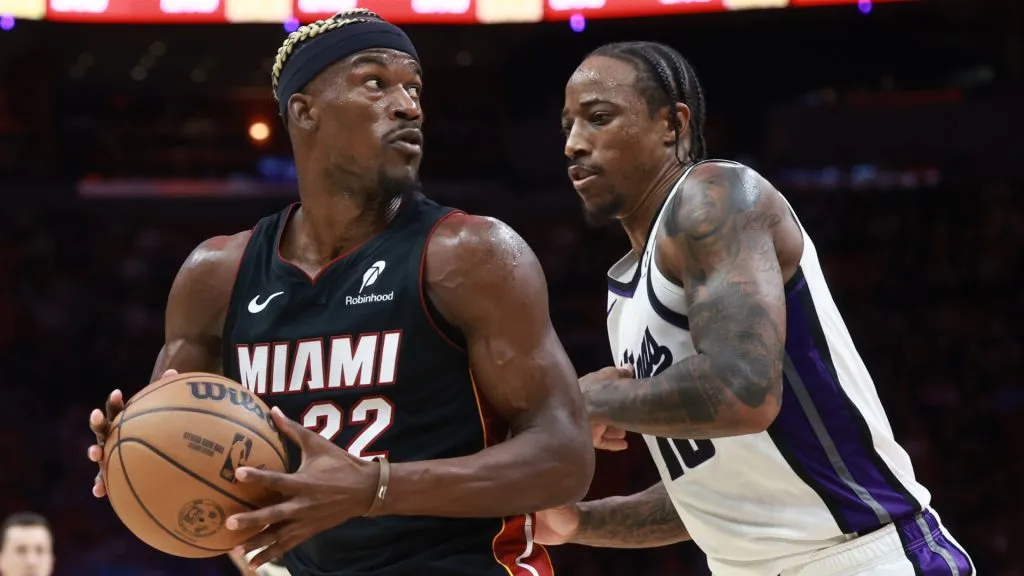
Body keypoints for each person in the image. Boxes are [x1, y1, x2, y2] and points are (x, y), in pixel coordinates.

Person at [86, 9, 594, 575]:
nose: (408, 105)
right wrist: (129, 446)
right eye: (374, 82)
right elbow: (185, 449)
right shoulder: (217, 275)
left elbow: (565, 457)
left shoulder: (471, 254)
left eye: (413, 88)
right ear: (304, 112)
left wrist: (375, 487)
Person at [541, 41, 975, 576]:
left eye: (599, 118)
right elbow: (715, 491)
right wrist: (580, 524)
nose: (574, 144)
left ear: (672, 125)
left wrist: (595, 399)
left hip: (860, 558)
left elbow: (744, 391)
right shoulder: (623, 296)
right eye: (567, 127)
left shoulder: (714, 196)